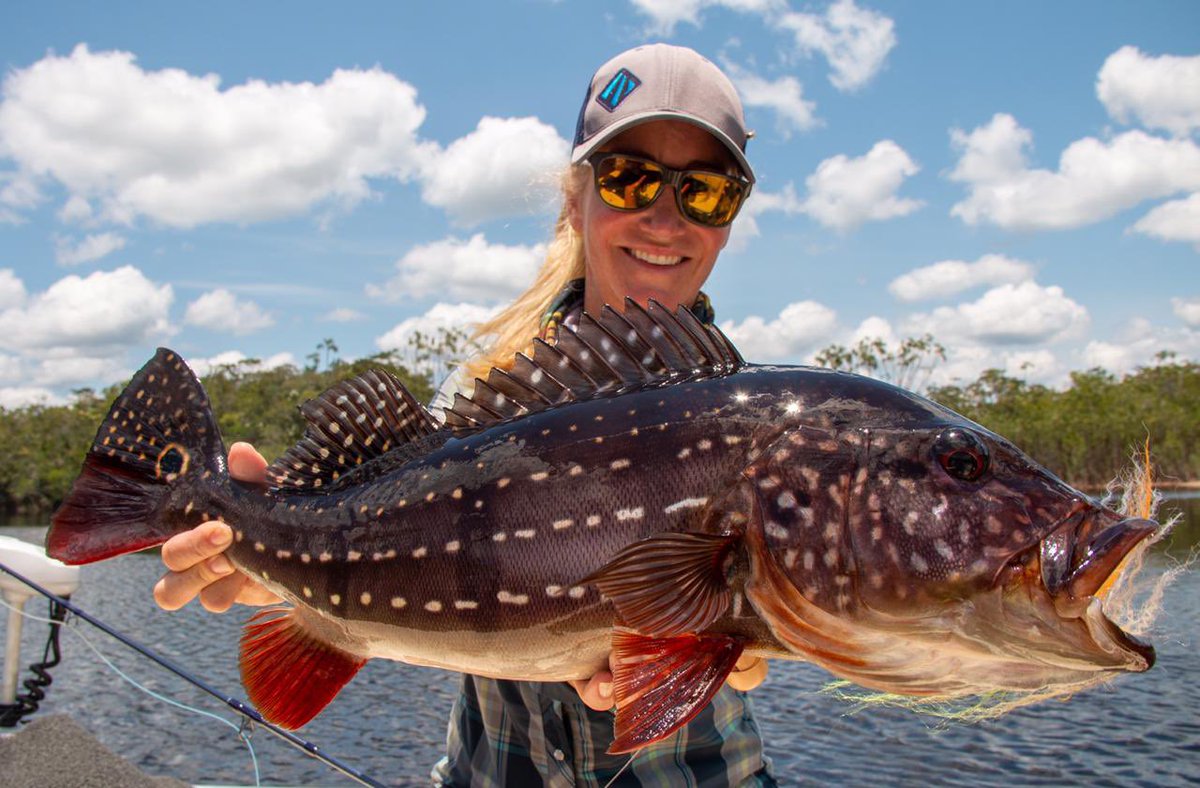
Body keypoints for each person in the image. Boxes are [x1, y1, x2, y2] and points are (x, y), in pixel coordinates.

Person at [153, 44, 776, 786]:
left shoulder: (762, 421)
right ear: (574, 200)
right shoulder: (478, 398)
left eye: (705, 191)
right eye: (630, 178)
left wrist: (750, 649)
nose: (665, 218)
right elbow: (361, 545)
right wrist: (265, 560)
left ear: (731, 218)